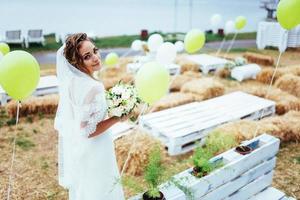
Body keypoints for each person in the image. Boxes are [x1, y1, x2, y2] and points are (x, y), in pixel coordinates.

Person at [54, 33, 126, 200]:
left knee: (88, 189)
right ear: (76, 62)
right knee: (101, 188)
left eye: (95, 51)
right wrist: (117, 118)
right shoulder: (93, 87)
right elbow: (87, 129)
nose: (95, 58)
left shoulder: (72, 83)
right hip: (97, 148)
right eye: (87, 56)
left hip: (82, 148)